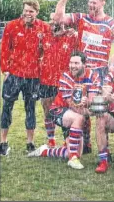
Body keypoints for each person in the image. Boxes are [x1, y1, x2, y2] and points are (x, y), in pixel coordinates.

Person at [28, 51, 100, 170]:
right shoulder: (65, 77)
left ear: (84, 64)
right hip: (59, 110)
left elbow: (91, 100)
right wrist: (89, 111)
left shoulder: (93, 75)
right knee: (79, 117)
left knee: (76, 151)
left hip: (75, 113)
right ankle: (73, 159)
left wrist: (87, 102)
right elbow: (72, 105)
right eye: (71, 63)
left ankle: (44, 152)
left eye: (76, 63)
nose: (72, 66)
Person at [0, 0, 50, 155]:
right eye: (26, 10)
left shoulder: (43, 27)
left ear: (37, 12)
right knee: (7, 107)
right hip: (14, 74)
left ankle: (30, 142)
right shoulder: (12, 26)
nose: (28, 14)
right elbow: (4, 49)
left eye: (31, 11)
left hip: (33, 76)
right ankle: (3, 142)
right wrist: (5, 69)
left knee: (31, 109)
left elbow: (47, 49)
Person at [53, 0, 114, 84]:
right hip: (81, 69)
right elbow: (58, 18)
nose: (91, 5)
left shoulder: (111, 23)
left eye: (94, 3)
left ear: (102, 3)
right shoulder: (82, 18)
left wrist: (113, 61)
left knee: (97, 98)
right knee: (79, 98)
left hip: (100, 71)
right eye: (90, 2)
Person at [39, 19, 78, 149]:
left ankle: (66, 141)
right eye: (54, 21)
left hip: (64, 82)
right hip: (46, 80)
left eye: (61, 22)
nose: (58, 25)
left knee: (66, 111)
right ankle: (51, 140)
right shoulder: (44, 36)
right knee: (47, 111)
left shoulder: (71, 37)